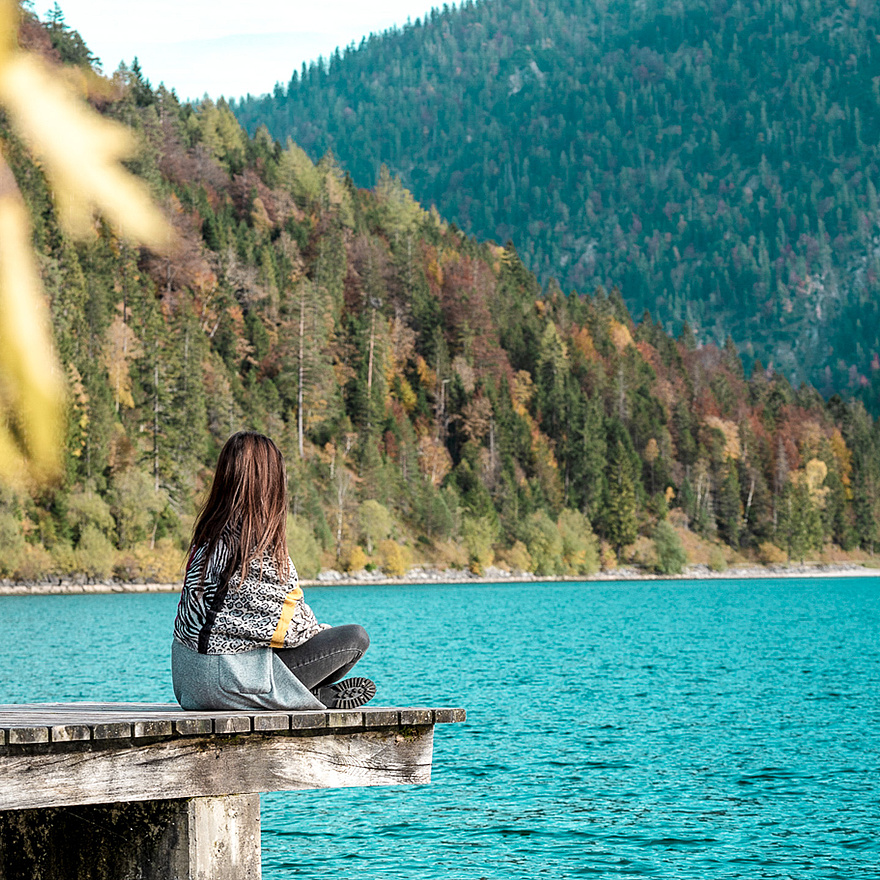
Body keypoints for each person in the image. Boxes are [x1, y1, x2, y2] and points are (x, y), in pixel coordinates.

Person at [172, 431, 375, 711]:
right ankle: (309, 697)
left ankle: (309, 695)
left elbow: (242, 625)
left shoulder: (207, 537)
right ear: (270, 481)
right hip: (230, 683)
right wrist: (320, 632)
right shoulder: (256, 546)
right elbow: (291, 631)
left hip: (188, 685)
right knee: (354, 639)